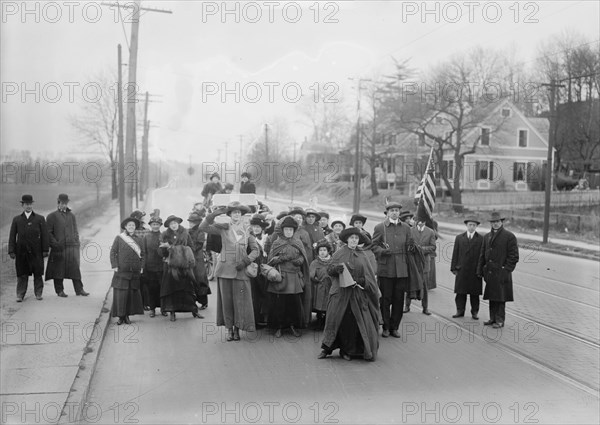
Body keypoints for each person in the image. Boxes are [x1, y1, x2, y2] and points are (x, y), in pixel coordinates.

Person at [318, 227, 381, 361]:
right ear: (347, 239)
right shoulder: (339, 253)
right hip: (340, 293)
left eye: (356, 238)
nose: (354, 240)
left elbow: (369, 276)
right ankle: (327, 348)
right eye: (352, 238)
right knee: (335, 319)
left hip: (356, 295)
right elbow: (329, 270)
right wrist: (335, 269)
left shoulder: (363, 255)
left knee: (352, 322)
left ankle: (348, 350)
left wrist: (362, 281)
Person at [200, 202, 259, 341]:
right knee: (226, 302)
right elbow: (203, 227)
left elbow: (255, 250)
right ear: (230, 215)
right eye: (234, 213)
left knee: (240, 302)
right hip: (225, 269)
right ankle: (229, 329)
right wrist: (214, 214)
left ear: (242, 215)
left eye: (239, 212)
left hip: (241, 271)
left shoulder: (247, 230)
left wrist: (246, 261)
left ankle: (238, 329)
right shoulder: (224, 228)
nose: (237, 215)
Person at [371, 201, 412, 338]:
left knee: (399, 299)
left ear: (399, 212)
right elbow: (373, 246)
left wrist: (412, 248)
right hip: (386, 269)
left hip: (401, 269)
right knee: (385, 299)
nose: (394, 212)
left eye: (397, 210)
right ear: (387, 213)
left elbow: (410, 245)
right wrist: (382, 251)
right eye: (392, 210)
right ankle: (386, 327)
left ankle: (395, 327)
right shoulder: (380, 227)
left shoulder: (406, 228)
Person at [266, 216, 308, 338]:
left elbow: (303, 257)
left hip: (295, 277)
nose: (289, 232)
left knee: (294, 303)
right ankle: (279, 327)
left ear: (294, 231)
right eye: (286, 229)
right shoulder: (277, 243)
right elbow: (270, 260)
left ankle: (293, 326)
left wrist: (299, 260)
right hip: (282, 277)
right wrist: (281, 258)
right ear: (282, 230)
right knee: (280, 303)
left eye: (291, 229)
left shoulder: (298, 242)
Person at [477, 211, 519, 329]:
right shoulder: (486, 237)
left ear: (502, 222)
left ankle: (500, 320)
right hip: (490, 272)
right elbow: (482, 255)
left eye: (497, 222)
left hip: (501, 273)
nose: (495, 224)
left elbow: (514, 256)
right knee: (492, 296)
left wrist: (505, 270)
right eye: (493, 222)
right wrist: (480, 270)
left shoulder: (509, 237)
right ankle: (492, 318)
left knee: (501, 298)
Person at [159, 215, 203, 322]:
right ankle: (172, 312)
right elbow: (160, 251)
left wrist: (180, 251)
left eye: (175, 223)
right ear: (169, 226)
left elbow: (191, 247)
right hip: (171, 266)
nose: (173, 225)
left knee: (188, 288)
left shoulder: (185, 233)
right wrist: (166, 250)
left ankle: (194, 310)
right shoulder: (164, 235)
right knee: (171, 289)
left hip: (184, 266)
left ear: (178, 223)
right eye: (171, 224)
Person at [45, 193, 89, 297]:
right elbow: (48, 233)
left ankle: (79, 289)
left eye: (66, 203)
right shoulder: (52, 216)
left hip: (71, 247)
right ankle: (59, 290)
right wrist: (55, 244)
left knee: (75, 269)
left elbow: (75, 230)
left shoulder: (71, 215)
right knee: (58, 270)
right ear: (58, 203)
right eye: (62, 203)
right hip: (58, 248)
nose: (64, 205)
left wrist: (76, 241)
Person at [9, 194, 49, 302]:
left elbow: (45, 235)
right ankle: (20, 294)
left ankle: (38, 293)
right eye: (26, 204)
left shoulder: (40, 219)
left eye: (30, 204)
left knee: (38, 273)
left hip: (36, 251)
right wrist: (11, 250)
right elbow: (12, 236)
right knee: (22, 273)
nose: (29, 206)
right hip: (21, 251)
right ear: (22, 205)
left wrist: (45, 249)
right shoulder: (17, 219)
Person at [109, 217, 145, 325]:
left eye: (133, 225)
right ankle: (121, 317)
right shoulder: (119, 238)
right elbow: (113, 252)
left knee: (130, 295)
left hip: (134, 271)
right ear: (125, 227)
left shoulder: (139, 239)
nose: (131, 227)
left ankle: (127, 316)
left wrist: (142, 266)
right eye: (129, 225)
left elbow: (143, 254)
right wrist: (114, 265)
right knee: (121, 295)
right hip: (121, 271)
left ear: (135, 227)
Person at [451, 216, 484, 320]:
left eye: (474, 225)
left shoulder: (481, 239)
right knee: (461, 292)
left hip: (475, 271)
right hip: (462, 269)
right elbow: (455, 253)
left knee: (474, 294)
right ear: (466, 225)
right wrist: (454, 268)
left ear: (476, 226)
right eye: (470, 225)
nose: (471, 227)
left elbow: (483, 256)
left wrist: (481, 270)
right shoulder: (459, 238)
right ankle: (460, 311)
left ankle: (474, 312)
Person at [404, 215, 436, 315]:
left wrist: (421, 249)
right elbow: (406, 245)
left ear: (425, 222)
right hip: (412, 262)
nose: (419, 222)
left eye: (421, 220)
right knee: (410, 284)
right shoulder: (410, 230)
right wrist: (412, 248)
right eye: (417, 220)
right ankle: (407, 306)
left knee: (424, 286)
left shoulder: (430, 232)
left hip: (424, 263)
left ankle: (425, 307)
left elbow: (433, 247)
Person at [141, 214, 165, 317]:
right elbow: (144, 252)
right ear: (150, 225)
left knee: (163, 288)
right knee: (151, 289)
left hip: (161, 266)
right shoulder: (146, 237)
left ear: (160, 225)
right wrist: (144, 265)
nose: (155, 226)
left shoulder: (163, 236)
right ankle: (152, 309)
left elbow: (166, 251)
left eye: (157, 224)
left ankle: (164, 309)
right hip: (150, 267)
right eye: (153, 224)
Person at [188, 210, 211, 310]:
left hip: (198, 258)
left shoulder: (200, 231)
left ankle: (203, 301)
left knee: (200, 279)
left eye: (193, 221)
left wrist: (189, 249)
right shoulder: (188, 231)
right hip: (190, 258)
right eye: (190, 221)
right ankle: (193, 301)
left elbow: (199, 244)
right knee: (191, 279)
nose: (191, 223)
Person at [309, 239, 333, 330]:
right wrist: (314, 278)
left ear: (328, 251)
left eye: (324, 250)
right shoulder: (315, 262)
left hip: (330, 286)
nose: (322, 252)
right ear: (317, 251)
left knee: (328, 304)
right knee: (319, 304)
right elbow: (311, 274)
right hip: (319, 286)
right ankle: (319, 321)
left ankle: (327, 321)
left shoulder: (332, 261)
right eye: (320, 250)